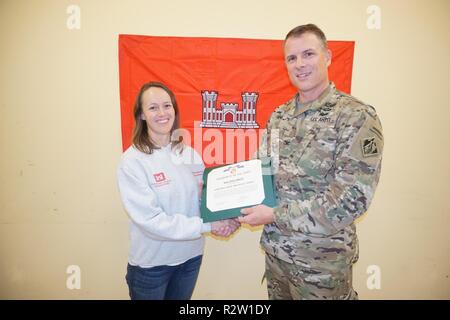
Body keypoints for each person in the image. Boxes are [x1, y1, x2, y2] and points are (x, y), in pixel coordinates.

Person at [239, 24, 383, 300]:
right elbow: (261, 175)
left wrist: (274, 215)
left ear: (327, 57)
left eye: (308, 54)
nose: (300, 64)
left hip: (322, 266)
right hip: (277, 255)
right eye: (292, 58)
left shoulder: (356, 117)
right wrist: (228, 201)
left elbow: (351, 199)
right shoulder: (279, 116)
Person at [117, 81, 240, 300]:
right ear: (142, 115)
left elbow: (207, 199)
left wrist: (232, 215)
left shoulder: (189, 153)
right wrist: (210, 225)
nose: (162, 113)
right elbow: (152, 221)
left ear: (174, 109)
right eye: (153, 107)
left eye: (167, 105)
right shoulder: (132, 161)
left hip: (191, 258)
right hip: (152, 266)